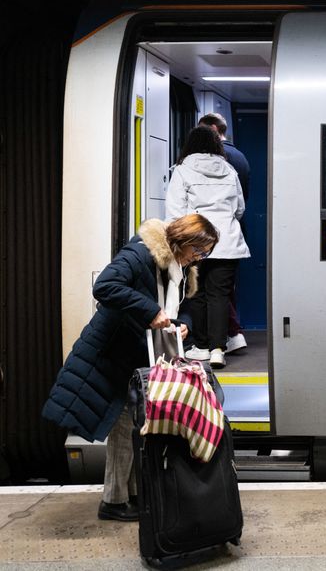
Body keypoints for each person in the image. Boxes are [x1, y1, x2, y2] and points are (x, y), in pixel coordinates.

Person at [42, 214, 219, 521]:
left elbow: (184, 306)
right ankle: (114, 501)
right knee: (125, 426)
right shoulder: (140, 253)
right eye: (199, 251)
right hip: (113, 354)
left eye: (205, 254)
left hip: (138, 357)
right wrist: (150, 311)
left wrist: (184, 324)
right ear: (183, 240)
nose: (199, 258)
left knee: (136, 424)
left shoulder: (179, 269)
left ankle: (132, 495)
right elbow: (105, 286)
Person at [166, 125, 250, 368]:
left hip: (195, 241)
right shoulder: (230, 170)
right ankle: (217, 350)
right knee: (220, 295)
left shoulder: (182, 170)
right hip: (227, 241)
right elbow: (239, 209)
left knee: (196, 292)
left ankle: (202, 346)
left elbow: (175, 211)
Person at [198, 112, 249, 354]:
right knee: (224, 289)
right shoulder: (240, 158)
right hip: (233, 232)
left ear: (214, 130)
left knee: (205, 291)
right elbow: (241, 205)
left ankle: (216, 340)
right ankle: (230, 335)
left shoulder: (213, 160)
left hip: (204, 235)